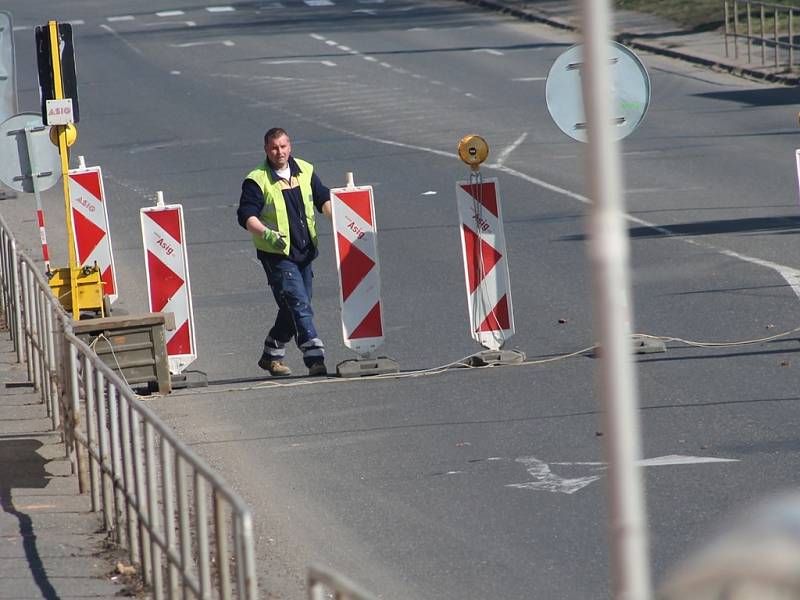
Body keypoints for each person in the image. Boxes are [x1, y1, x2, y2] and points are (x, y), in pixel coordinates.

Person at [237, 127, 332, 377]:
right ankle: (315, 358)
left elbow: (323, 197)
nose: (280, 152)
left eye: (283, 146)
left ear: (290, 146)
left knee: (295, 306)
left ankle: (271, 355)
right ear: (266, 150)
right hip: (277, 256)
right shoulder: (257, 179)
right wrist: (266, 233)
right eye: (274, 148)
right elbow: (246, 215)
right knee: (299, 304)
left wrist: (339, 217)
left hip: (305, 251)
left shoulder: (305, 169)